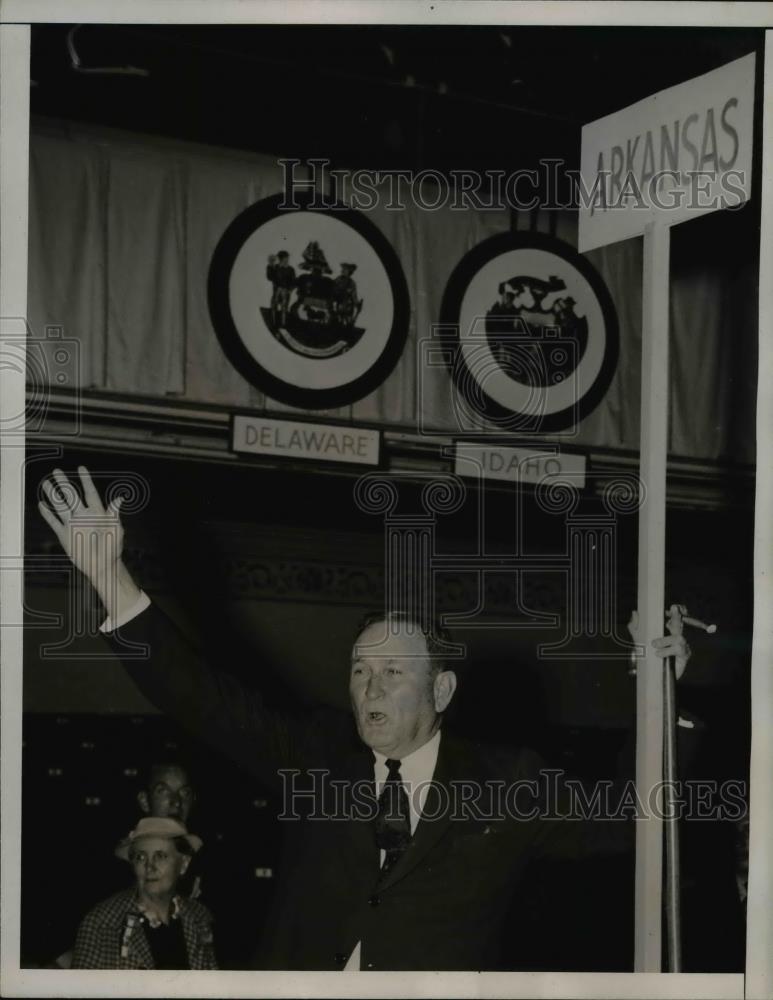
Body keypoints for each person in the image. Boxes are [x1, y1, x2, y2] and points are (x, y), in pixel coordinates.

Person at [40, 466, 690, 971]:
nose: (367, 687)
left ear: (441, 689)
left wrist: (662, 700)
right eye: (357, 670)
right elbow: (199, 697)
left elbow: (634, 819)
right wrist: (112, 580)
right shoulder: (317, 752)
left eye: (391, 673)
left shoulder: (506, 781)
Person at [71, 817, 217, 970]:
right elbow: (82, 992)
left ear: (184, 865)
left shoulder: (200, 917)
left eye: (160, 856)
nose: (149, 867)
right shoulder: (101, 923)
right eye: (141, 857)